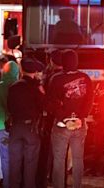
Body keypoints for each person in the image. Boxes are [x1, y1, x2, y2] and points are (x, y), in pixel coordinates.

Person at [47, 49, 93, 188]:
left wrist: (63, 118)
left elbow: (51, 102)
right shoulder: (86, 78)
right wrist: (80, 117)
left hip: (61, 125)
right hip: (79, 125)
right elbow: (89, 101)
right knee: (78, 159)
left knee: (59, 160)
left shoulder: (56, 79)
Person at [8, 58, 45, 188]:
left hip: (15, 127)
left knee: (14, 162)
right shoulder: (35, 88)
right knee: (30, 163)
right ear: (35, 71)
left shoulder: (13, 87)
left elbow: (9, 107)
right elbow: (43, 106)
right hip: (31, 128)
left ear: (22, 70)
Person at [37, 50, 63, 188]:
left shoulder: (50, 77)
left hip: (49, 119)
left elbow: (44, 97)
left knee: (46, 150)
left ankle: (42, 180)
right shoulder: (67, 76)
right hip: (63, 118)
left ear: (51, 61)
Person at [0, 61, 20, 188]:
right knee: (17, 158)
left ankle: (6, 184)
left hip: (1, 126)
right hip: (16, 127)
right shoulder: (18, 86)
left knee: (4, 158)